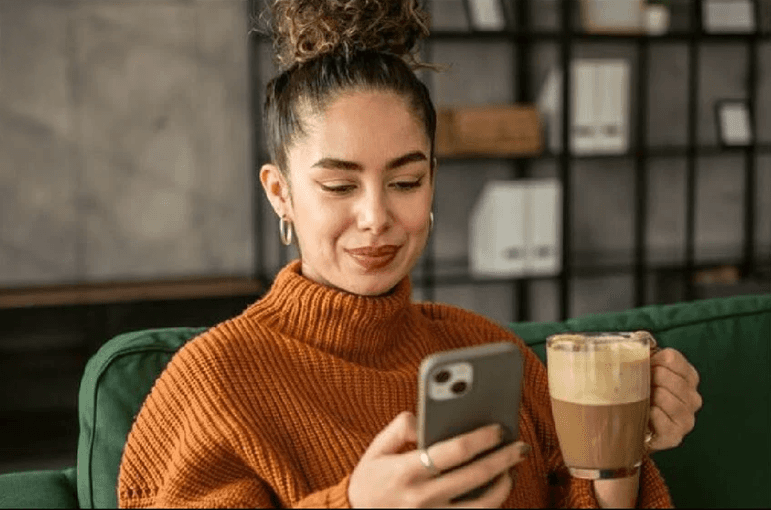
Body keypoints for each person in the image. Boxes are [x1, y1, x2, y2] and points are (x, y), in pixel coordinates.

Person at [117, 1, 703, 507]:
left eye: (404, 182)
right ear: (280, 193)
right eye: (340, 186)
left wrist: (618, 451)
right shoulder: (212, 383)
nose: (377, 217)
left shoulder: (490, 353)